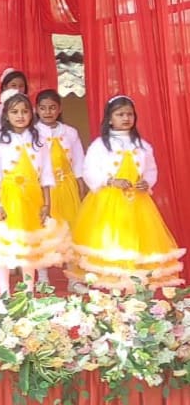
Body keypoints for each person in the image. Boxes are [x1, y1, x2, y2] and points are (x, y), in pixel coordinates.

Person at [67, 95, 185, 292]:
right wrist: (110, 181)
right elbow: (89, 170)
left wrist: (146, 182)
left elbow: (151, 170)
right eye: (120, 114)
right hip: (108, 201)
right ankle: (113, 285)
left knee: (137, 241)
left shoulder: (143, 145)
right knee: (111, 241)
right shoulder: (100, 145)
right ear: (109, 119)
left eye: (129, 114)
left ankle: (133, 286)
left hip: (137, 203)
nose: (125, 118)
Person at [0, 92, 69, 295]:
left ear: (31, 113)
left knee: (29, 247)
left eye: (24, 111)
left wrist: (47, 204)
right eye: (15, 112)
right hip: (8, 196)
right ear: (6, 115)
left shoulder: (39, 139)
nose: (20, 116)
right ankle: (4, 291)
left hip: (32, 198)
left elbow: (46, 174)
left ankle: (28, 292)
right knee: (4, 247)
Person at [34, 88, 86, 286]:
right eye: (43, 108)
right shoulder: (32, 133)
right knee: (43, 232)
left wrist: (80, 183)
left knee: (70, 231)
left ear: (59, 109)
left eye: (52, 107)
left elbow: (79, 160)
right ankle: (43, 279)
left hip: (66, 187)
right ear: (36, 109)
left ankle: (74, 279)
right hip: (43, 190)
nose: (48, 112)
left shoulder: (70, 132)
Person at [0, 68, 28, 133]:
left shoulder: (30, 110)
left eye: (21, 86)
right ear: (5, 87)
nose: (18, 89)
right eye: (13, 85)